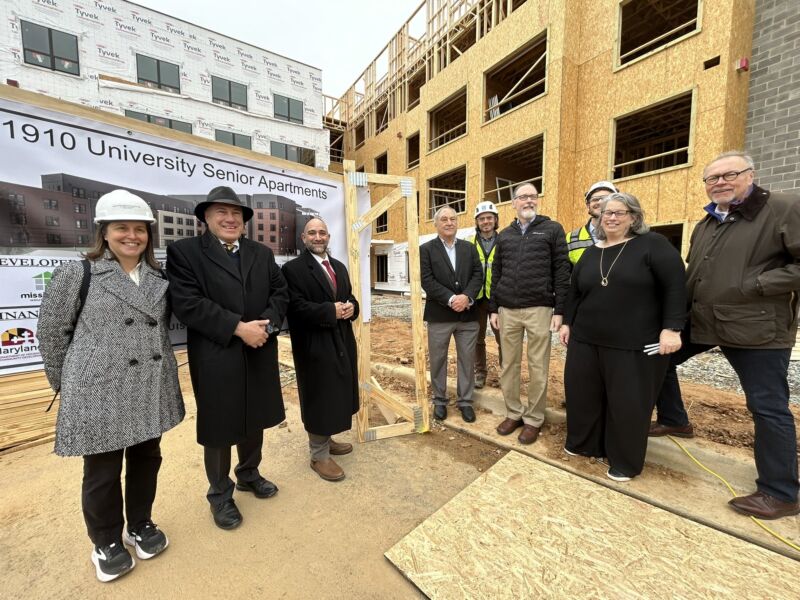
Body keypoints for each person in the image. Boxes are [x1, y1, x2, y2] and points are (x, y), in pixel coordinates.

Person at [38, 190, 185, 582]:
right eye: (123, 228)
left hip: (148, 383)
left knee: (146, 459)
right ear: (104, 232)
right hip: (97, 388)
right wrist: (70, 385)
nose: (132, 236)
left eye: (140, 229)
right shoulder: (79, 272)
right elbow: (52, 333)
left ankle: (140, 522)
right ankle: (105, 540)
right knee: (102, 471)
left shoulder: (158, 277)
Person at [650, 151, 800, 519]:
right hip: (703, 320)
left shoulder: (783, 208)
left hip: (756, 326)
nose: (719, 182)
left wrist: (757, 284)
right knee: (658, 356)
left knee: (767, 406)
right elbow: (694, 274)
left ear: (750, 175)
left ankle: (780, 492)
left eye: (729, 174)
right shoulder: (706, 223)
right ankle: (675, 419)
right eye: (712, 178)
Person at [167, 186, 289, 530]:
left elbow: (281, 292)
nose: (230, 218)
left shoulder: (261, 253)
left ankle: (249, 473)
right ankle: (220, 495)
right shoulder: (185, 252)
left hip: (259, 348)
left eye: (236, 213)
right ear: (205, 217)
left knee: (255, 415)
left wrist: (264, 326)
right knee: (220, 426)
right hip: (216, 354)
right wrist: (238, 328)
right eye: (221, 212)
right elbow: (187, 302)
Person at [559, 193, 686, 481]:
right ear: (599, 218)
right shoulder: (592, 252)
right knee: (583, 395)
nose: (612, 217)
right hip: (586, 340)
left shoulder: (653, 246)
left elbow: (676, 287)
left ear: (634, 217)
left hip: (634, 344)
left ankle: (624, 461)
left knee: (628, 403)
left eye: (620, 212)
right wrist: (567, 322)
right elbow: (575, 292)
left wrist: (672, 328)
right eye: (607, 213)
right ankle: (585, 443)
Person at [489, 182, 570, 444]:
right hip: (508, 310)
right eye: (523, 197)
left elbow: (562, 271)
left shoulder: (552, 229)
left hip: (539, 309)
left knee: (538, 366)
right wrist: (493, 308)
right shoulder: (505, 235)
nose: (528, 201)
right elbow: (496, 273)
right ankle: (513, 412)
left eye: (533, 197)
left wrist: (560, 310)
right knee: (508, 365)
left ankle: (534, 419)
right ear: (513, 203)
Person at [282, 218, 359, 482]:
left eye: (322, 233)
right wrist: (331, 310)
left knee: (336, 392)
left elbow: (350, 297)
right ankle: (318, 454)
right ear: (303, 238)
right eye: (312, 233)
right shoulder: (293, 270)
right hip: (314, 344)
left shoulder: (338, 266)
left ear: (328, 237)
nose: (318, 237)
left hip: (341, 339)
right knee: (319, 394)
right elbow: (294, 308)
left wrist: (351, 308)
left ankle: (327, 439)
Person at [420, 206, 483, 423]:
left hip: (467, 315)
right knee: (438, 359)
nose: (449, 223)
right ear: (436, 224)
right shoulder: (426, 249)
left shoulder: (469, 248)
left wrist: (466, 297)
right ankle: (440, 400)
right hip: (439, 315)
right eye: (444, 219)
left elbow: (478, 275)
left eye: (453, 219)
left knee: (467, 360)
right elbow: (427, 280)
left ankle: (465, 401)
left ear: (457, 223)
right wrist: (450, 299)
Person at [467, 201, 502, 389]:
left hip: (499, 299)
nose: (486, 221)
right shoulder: (469, 243)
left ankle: (506, 374)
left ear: (495, 220)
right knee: (477, 338)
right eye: (482, 219)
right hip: (477, 299)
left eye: (489, 218)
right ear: (477, 222)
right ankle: (480, 373)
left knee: (503, 339)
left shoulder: (505, 241)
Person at [566, 180, 619, 265]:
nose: (600, 202)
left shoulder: (629, 234)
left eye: (606, 198)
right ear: (588, 205)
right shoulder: (571, 239)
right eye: (595, 199)